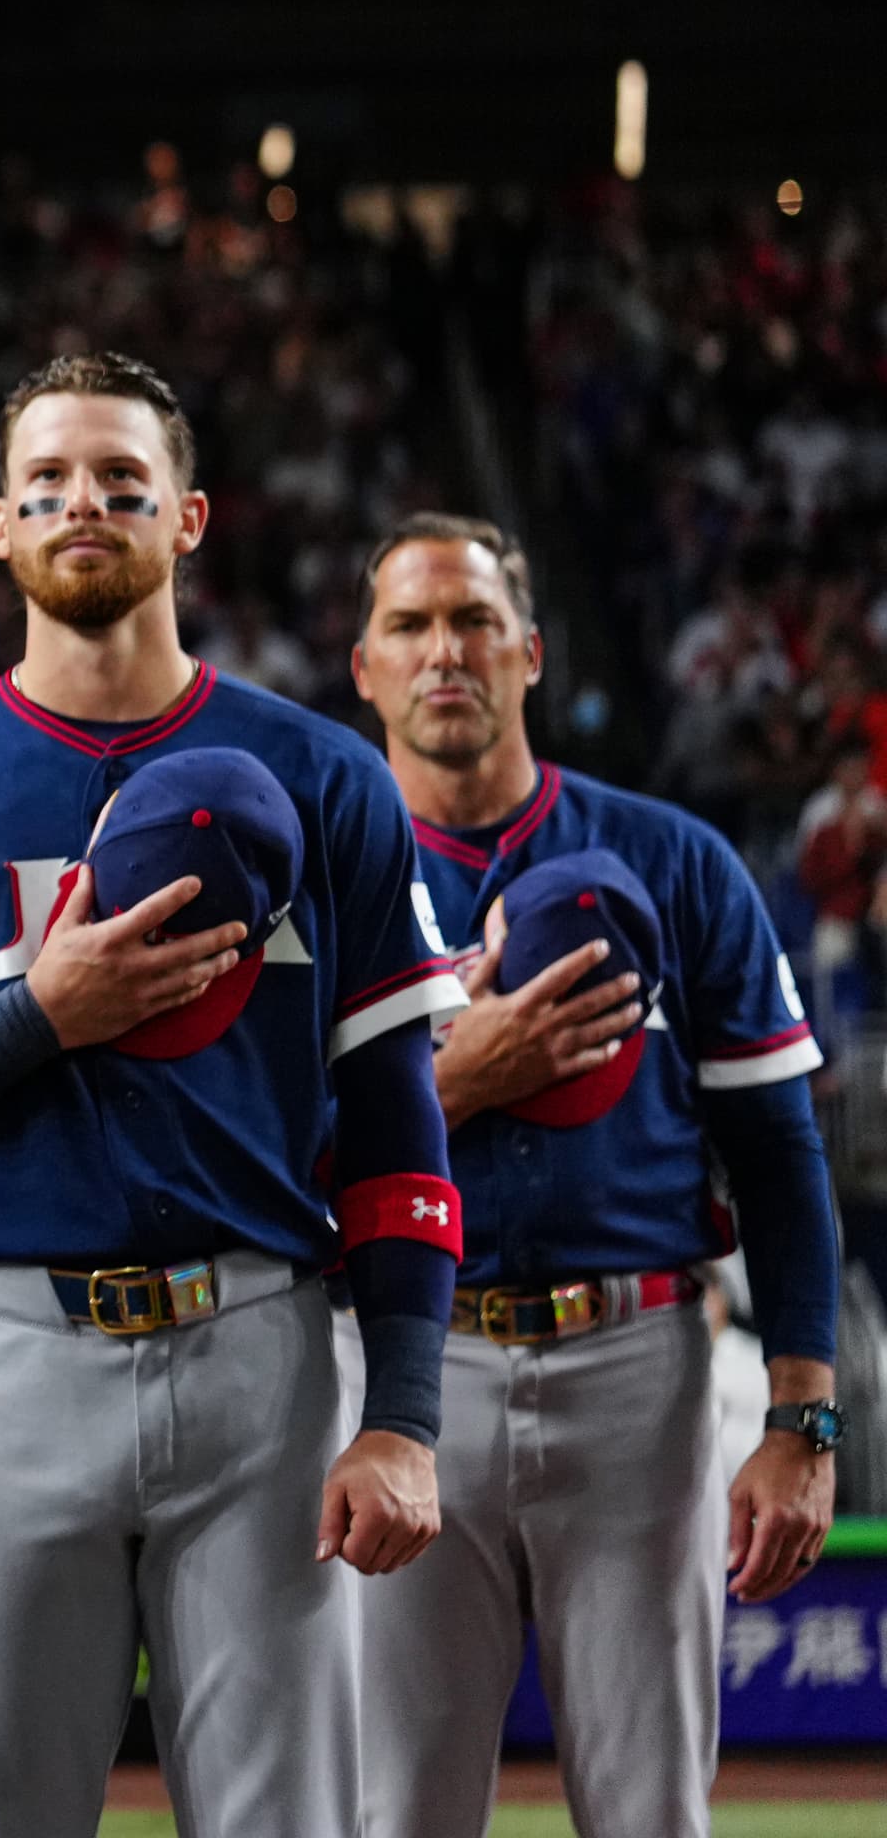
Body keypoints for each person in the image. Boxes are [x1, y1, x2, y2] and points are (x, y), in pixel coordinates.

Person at [0, 350, 462, 1836]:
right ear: (1, 525)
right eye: (48, 480)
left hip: (262, 1354)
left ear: (188, 517)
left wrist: (404, 1415)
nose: (84, 501)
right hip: (12, 1345)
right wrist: (44, 1016)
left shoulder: (327, 775)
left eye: (122, 479)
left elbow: (397, 1119)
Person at [346, 514, 844, 1838]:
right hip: (398, 1374)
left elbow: (780, 1153)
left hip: (637, 1367)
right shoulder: (324, 879)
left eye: (474, 621)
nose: (444, 651)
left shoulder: (679, 861)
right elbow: (267, 1162)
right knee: (394, 1812)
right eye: (411, 625)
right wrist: (453, 1082)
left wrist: (803, 1420)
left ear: (530, 652)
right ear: (365, 667)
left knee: (649, 1810)